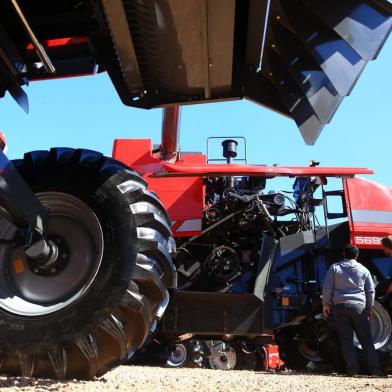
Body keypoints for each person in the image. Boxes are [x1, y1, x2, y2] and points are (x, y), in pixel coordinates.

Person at [322, 244, 383, 376]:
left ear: (344, 254)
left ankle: (353, 371)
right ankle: (375, 370)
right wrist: (369, 307)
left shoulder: (334, 268)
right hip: (359, 308)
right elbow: (370, 290)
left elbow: (327, 288)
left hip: (339, 308)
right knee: (366, 340)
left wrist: (326, 304)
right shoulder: (364, 270)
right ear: (357, 255)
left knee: (346, 341)